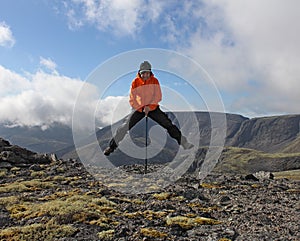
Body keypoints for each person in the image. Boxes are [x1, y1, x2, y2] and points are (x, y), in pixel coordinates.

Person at [104, 61, 194, 156]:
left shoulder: (155, 81)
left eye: (147, 73)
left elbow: (158, 96)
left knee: (168, 124)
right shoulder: (135, 82)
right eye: (143, 73)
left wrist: (149, 107)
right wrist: (141, 108)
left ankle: (184, 143)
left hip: (153, 108)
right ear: (140, 72)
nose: (145, 75)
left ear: (150, 72)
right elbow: (132, 98)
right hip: (138, 109)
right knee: (124, 127)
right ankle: (111, 147)